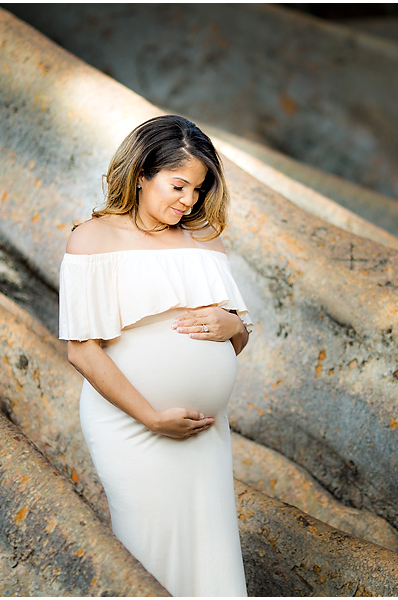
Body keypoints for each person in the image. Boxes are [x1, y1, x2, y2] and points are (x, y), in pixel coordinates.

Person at [58, 115, 252, 596]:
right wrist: (151, 416)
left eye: (198, 190)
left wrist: (234, 326)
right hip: (132, 425)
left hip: (205, 429)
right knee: (148, 544)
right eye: (178, 185)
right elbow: (82, 351)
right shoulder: (93, 238)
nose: (187, 201)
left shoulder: (204, 241)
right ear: (142, 173)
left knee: (211, 548)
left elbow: (236, 337)